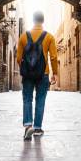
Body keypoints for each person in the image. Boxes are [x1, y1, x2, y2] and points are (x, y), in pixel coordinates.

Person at [16, 10, 58, 140]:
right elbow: (54, 57)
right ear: (43, 21)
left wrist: (26, 69)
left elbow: (18, 58)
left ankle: (28, 125)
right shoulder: (49, 37)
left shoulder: (23, 36)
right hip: (43, 74)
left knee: (27, 99)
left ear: (33, 20)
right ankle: (38, 128)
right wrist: (54, 73)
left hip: (28, 75)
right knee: (40, 100)